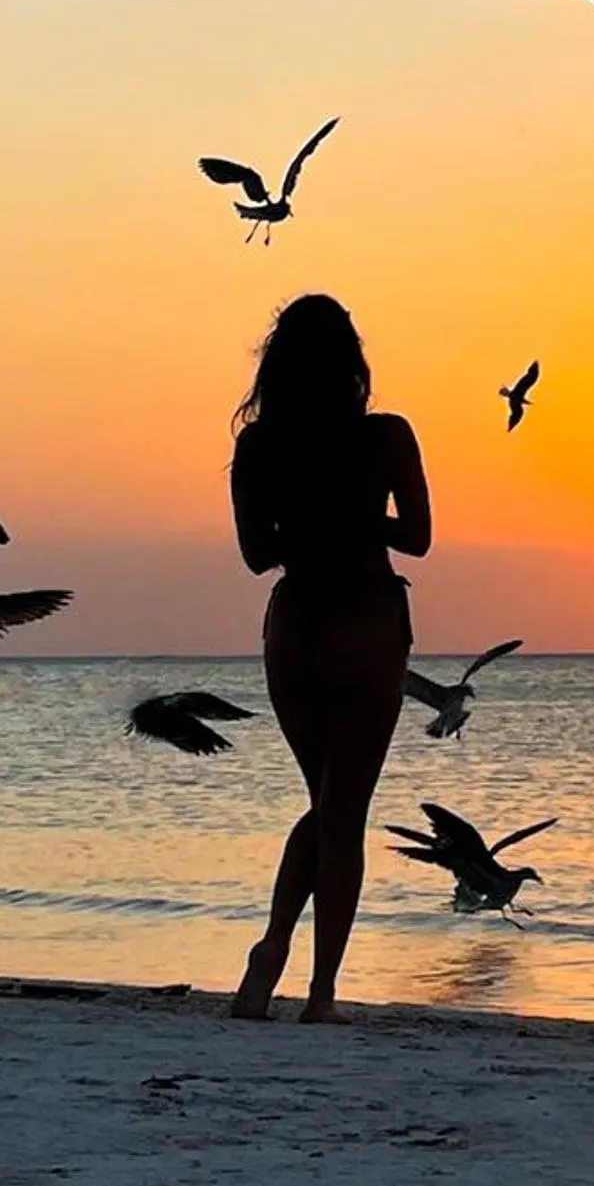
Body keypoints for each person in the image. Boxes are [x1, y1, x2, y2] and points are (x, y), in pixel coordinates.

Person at [227, 293, 431, 1023]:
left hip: (295, 628)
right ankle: (319, 992)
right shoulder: (385, 436)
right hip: (366, 621)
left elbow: (257, 555)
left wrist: (306, 523)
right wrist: (359, 518)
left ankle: (271, 950)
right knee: (343, 813)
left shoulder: (259, 446)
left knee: (327, 805)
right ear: (353, 363)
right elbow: (418, 538)